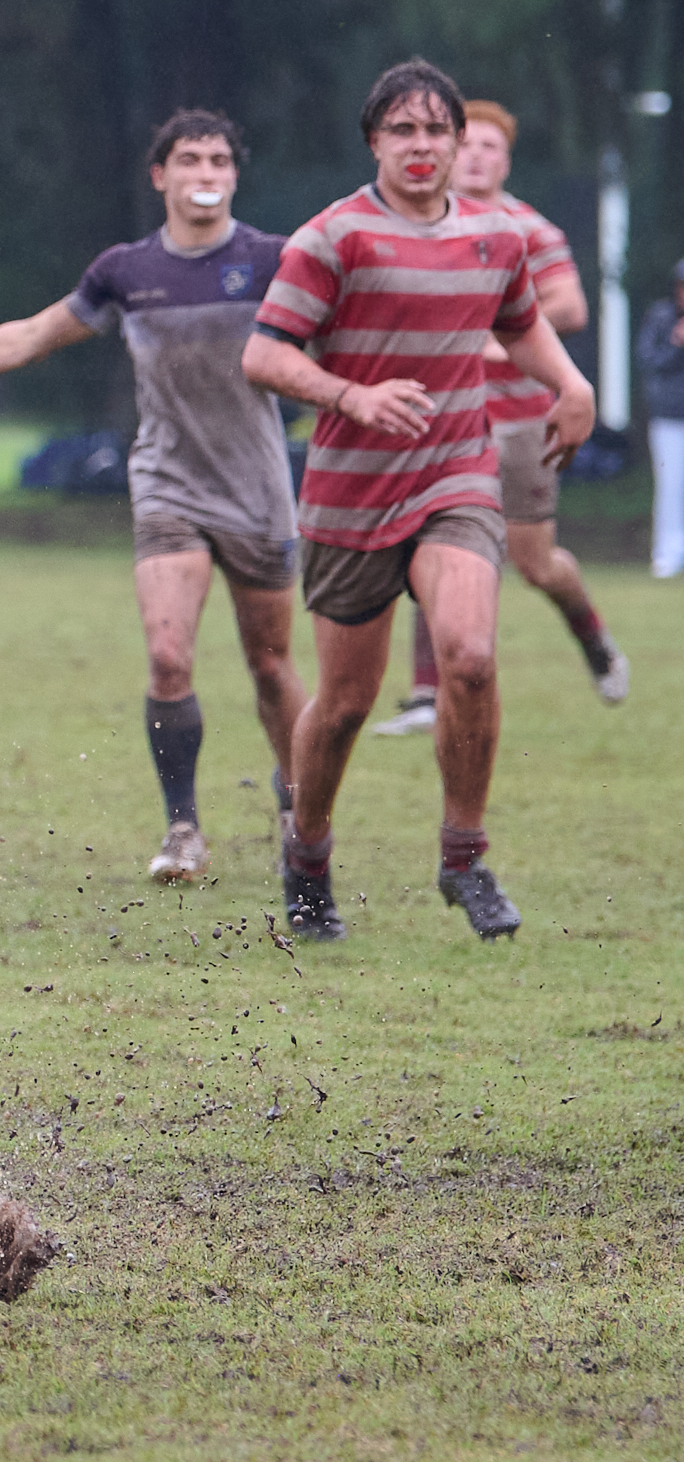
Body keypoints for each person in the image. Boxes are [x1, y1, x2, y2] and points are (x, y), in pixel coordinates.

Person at [0, 109, 305, 887]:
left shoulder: (274, 261)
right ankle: (183, 828)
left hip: (258, 489)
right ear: (160, 175)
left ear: (234, 175)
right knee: (168, 657)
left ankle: (300, 809)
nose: (206, 173)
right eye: (190, 159)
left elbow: (345, 331)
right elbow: (32, 335)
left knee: (270, 666)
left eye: (220, 161)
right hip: (167, 485)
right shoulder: (127, 270)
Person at [242, 59, 595, 942]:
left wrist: (571, 384)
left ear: (459, 141)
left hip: (456, 476)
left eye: (437, 129)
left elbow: (521, 321)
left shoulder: (497, 237)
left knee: (470, 658)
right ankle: (307, 852)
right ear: (375, 142)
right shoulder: (332, 238)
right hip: (352, 496)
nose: (422, 145)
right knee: (346, 704)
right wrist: (350, 396)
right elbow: (264, 354)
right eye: (403, 129)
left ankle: (464, 857)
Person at [369, 99, 627, 735]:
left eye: (492, 147)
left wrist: (494, 336)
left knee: (535, 563)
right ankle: (426, 693)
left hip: (519, 421)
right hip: (441, 417)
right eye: (469, 145)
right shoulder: (415, 225)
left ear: (507, 162)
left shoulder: (528, 229)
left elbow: (570, 306)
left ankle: (593, 637)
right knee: (430, 537)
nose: (477, 157)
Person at [634, 260, 684, 580]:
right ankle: (668, 554)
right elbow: (648, 360)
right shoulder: (661, 317)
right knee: (671, 486)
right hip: (669, 416)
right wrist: (676, 344)